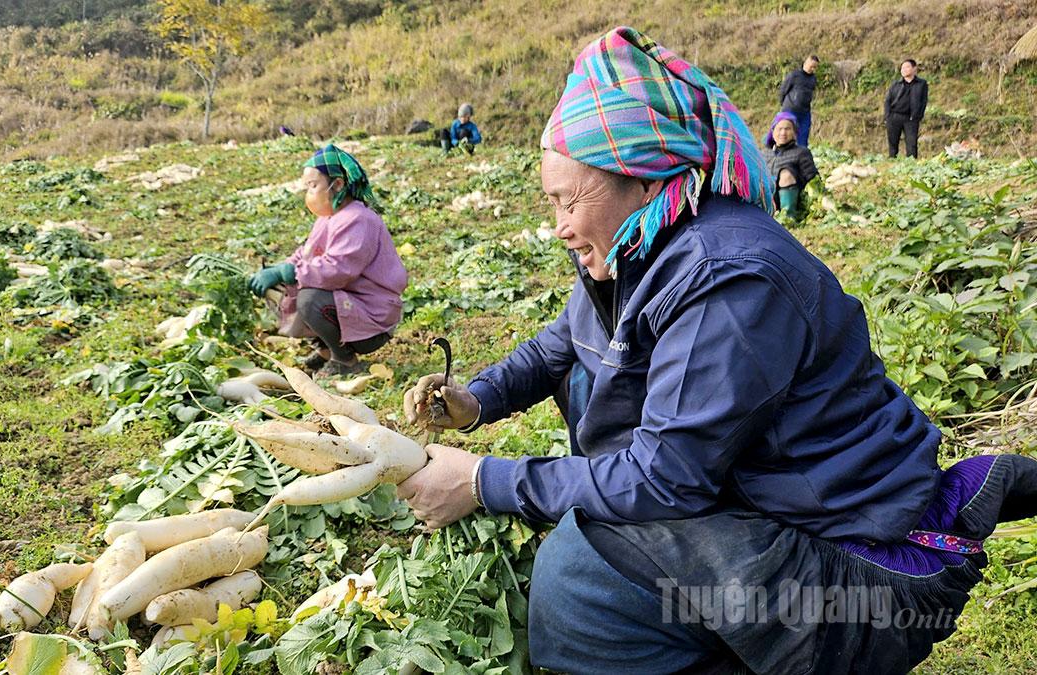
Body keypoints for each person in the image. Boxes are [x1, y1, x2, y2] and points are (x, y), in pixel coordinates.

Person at [397, 26, 1037, 674]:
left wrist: (482, 480)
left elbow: (660, 478)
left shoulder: (726, 278)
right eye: (551, 203)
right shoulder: (637, 249)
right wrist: (476, 399)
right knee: (590, 490)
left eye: (569, 201)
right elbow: (561, 343)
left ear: (645, 183)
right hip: (772, 499)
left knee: (578, 579)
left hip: (858, 561)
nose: (558, 224)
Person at [248, 144, 407, 376]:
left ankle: (346, 360)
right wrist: (279, 270)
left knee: (309, 298)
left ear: (338, 184)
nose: (309, 193)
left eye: (313, 186)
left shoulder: (358, 219)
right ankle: (325, 349)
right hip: (349, 303)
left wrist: (290, 273)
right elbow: (306, 253)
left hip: (373, 316)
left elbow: (337, 270)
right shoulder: (328, 218)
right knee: (285, 289)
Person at [762, 110, 818, 221]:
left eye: (787, 129)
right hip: (769, 198)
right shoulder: (764, 153)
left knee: (786, 174)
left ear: (794, 132)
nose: (783, 133)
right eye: (779, 129)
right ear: (773, 132)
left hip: (792, 197)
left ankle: (788, 218)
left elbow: (812, 178)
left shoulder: (801, 152)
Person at [884, 58, 928, 158]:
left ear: (914, 69)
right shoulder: (896, 84)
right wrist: (887, 116)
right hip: (894, 116)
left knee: (912, 144)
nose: (903, 69)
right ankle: (892, 162)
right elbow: (887, 101)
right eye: (902, 68)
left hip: (911, 118)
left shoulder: (921, 84)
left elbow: (923, 101)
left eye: (907, 67)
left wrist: (918, 116)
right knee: (893, 143)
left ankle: (911, 164)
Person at [778, 54, 819, 146]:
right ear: (805, 63)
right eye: (811, 66)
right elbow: (783, 90)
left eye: (814, 67)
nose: (812, 69)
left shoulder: (813, 79)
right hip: (790, 110)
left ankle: (801, 156)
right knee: (786, 135)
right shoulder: (794, 75)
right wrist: (784, 105)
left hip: (805, 112)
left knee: (803, 137)